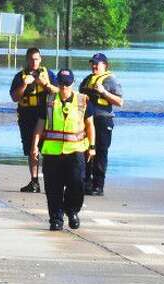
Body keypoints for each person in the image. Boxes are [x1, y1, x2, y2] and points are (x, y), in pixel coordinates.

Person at [32, 69, 94, 231]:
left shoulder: (83, 101)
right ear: (57, 83)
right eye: (61, 83)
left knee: (77, 184)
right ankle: (56, 219)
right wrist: (34, 145)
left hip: (76, 150)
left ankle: (72, 210)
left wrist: (92, 147)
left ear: (73, 83)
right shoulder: (48, 100)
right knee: (53, 188)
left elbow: (90, 125)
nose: (64, 86)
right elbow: (40, 124)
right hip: (52, 152)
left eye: (67, 83)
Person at [78, 53, 122, 196]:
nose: (94, 66)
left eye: (97, 63)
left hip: (103, 120)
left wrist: (103, 92)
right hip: (87, 120)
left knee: (101, 153)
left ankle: (98, 186)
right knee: (86, 151)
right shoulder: (87, 79)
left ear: (105, 65)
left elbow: (120, 102)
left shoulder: (111, 80)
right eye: (93, 63)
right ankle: (86, 183)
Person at [9, 47, 52, 193]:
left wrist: (45, 84)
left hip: (45, 114)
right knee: (30, 149)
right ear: (27, 60)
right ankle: (34, 182)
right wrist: (25, 84)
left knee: (47, 149)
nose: (34, 62)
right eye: (32, 59)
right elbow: (15, 97)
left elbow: (60, 91)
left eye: (37, 59)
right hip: (27, 115)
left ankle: (51, 180)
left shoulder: (48, 74)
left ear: (40, 59)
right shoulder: (20, 77)